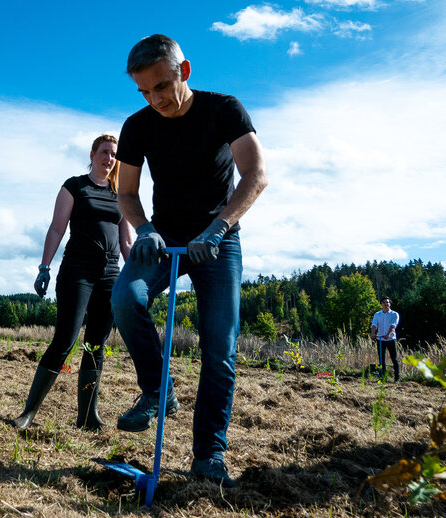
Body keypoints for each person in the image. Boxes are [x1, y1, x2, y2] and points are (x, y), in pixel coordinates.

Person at [110, 34, 267, 487]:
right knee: (126, 297)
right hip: (162, 237)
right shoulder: (137, 125)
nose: (154, 99)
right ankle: (159, 391)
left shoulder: (224, 110)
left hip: (218, 238)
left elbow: (256, 176)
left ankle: (208, 457)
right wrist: (145, 230)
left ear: (184, 71)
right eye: (144, 91)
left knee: (219, 348)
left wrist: (219, 227)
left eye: (160, 86)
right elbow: (126, 193)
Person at [12, 134, 133, 431]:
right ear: (92, 154)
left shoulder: (121, 194)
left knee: (96, 345)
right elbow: (56, 228)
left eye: (113, 154)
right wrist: (44, 266)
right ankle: (29, 412)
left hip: (110, 275)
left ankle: (87, 416)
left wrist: (139, 277)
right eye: (104, 152)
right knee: (65, 340)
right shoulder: (75, 186)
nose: (109, 158)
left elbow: (127, 241)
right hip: (77, 272)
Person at [370, 296, 400, 382]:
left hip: (391, 339)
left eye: (387, 302)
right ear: (381, 304)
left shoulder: (394, 314)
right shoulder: (377, 314)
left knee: (394, 358)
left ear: (389, 304)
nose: (386, 304)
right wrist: (373, 333)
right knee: (381, 359)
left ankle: (396, 378)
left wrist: (388, 334)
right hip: (380, 340)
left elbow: (393, 326)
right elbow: (374, 325)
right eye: (384, 302)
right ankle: (382, 377)